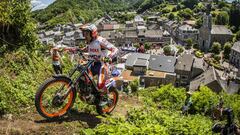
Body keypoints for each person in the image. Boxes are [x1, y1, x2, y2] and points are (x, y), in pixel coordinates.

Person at [80, 23, 119, 106]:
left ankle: (104, 98)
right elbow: (86, 49)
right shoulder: (90, 42)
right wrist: (73, 49)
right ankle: (89, 94)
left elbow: (115, 49)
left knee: (100, 86)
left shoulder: (100, 41)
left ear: (93, 33)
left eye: (86, 33)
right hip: (93, 64)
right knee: (83, 76)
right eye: (83, 34)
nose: (84, 36)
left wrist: (109, 57)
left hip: (103, 65)